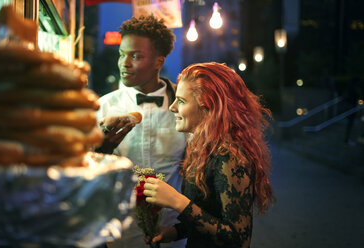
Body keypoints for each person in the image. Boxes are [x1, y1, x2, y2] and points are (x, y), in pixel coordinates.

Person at [143, 62, 275, 248]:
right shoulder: (204, 147)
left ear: (208, 106)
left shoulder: (230, 156)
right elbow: (209, 216)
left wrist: (177, 201)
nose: (172, 107)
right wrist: (174, 232)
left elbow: (240, 239)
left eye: (181, 101)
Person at [95, 15, 187, 248]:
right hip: (121, 232)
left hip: (173, 231)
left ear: (159, 61)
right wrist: (102, 147)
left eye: (135, 56)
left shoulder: (185, 104)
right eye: (121, 54)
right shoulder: (103, 107)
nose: (124, 63)